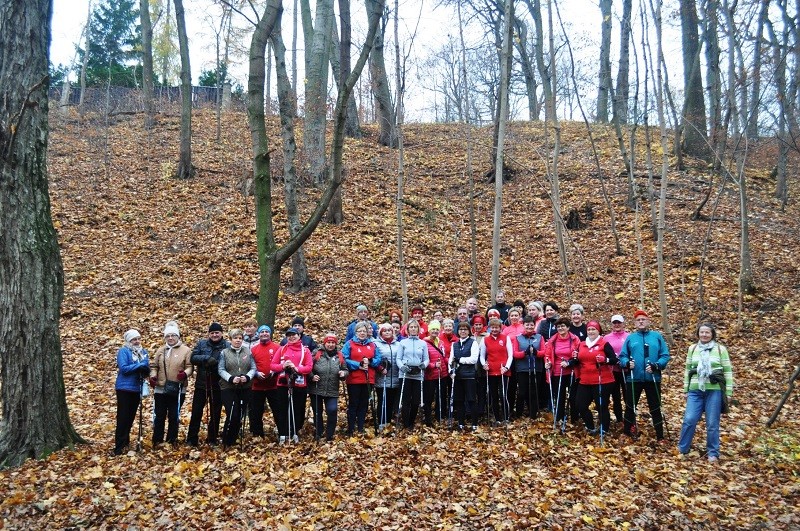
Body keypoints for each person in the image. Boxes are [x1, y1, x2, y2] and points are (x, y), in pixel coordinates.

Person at [678, 323, 733, 462]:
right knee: (689, 419)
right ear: (698, 334)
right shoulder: (693, 348)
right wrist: (686, 389)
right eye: (702, 332)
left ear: (712, 334)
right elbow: (688, 370)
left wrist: (729, 392)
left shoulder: (720, 349)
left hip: (714, 390)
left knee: (712, 423)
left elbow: (727, 371)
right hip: (695, 390)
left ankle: (713, 452)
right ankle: (683, 448)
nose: (704, 335)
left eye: (707, 332)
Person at [618, 310, 670, 441]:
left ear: (648, 321)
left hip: (653, 377)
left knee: (655, 407)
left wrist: (657, 365)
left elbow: (665, 355)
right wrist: (626, 363)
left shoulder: (656, 336)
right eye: (638, 320)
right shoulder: (631, 338)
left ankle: (660, 436)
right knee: (630, 406)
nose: (641, 322)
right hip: (634, 377)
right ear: (635, 323)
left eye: (643, 319)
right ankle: (626, 432)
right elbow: (623, 356)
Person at [149, 321, 192, 446]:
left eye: (173, 335)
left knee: (174, 415)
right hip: (161, 388)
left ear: (178, 336)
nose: (170, 338)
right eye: (168, 336)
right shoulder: (161, 350)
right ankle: (157, 440)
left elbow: (190, 366)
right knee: (160, 414)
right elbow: (154, 366)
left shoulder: (186, 350)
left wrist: (184, 374)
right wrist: (153, 376)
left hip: (177, 388)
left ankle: (171, 440)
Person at [187, 322, 229, 447]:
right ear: (209, 334)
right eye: (212, 333)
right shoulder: (201, 344)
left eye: (217, 333)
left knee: (215, 413)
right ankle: (191, 438)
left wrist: (216, 363)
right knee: (196, 412)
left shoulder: (226, 345)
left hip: (218, 384)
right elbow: (193, 358)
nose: (214, 335)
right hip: (202, 384)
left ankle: (212, 438)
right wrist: (205, 358)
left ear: (221, 333)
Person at [270, 327, 313, 443]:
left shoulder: (305, 350)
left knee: (298, 408)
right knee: (282, 408)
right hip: (283, 383)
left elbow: (309, 367)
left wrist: (297, 368)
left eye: (294, 335)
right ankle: (282, 433)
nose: (291, 337)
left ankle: (294, 431)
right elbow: (273, 365)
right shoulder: (282, 349)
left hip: (299, 384)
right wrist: (282, 366)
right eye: (289, 335)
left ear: (299, 336)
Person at [575, 321, 617, 435]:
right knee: (580, 405)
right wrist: (572, 359)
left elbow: (614, 359)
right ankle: (590, 426)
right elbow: (578, 359)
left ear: (599, 331)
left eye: (593, 329)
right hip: (584, 380)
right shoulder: (581, 344)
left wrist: (605, 360)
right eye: (589, 329)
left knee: (601, 406)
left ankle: (604, 429)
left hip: (602, 380)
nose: (591, 331)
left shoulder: (604, 343)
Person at [218, 328, 257, 447]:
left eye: (240, 338)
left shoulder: (248, 352)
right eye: (235, 338)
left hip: (245, 387)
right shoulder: (224, 353)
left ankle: (233, 439)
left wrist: (248, 377)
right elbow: (221, 369)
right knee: (232, 414)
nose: (238, 340)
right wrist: (230, 378)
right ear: (230, 340)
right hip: (228, 388)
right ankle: (226, 439)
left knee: (240, 414)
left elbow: (253, 368)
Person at [114, 329, 150, 455]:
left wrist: (146, 369)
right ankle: (119, 446)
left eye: (138, 339)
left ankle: (126, 442)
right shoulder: (124, 351)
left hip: (136, 388)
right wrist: (139, 366)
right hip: (124, 388)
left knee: (130, 417)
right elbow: (124, 369)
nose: (137, 341)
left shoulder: (143, 352)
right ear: (129, 341)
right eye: (134, 339)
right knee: (123, 417)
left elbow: (146, 366)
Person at [342, 321, 380, 435]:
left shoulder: (372, 345)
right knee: (354, 403)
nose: (362, 333)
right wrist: (358, 364)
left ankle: (360, 427)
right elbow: (344, 359)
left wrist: (370, 361)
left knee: (364, 403)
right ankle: (351, 427)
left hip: (369, 379)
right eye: (360, 331)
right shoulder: (349, 344)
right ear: (356, 332)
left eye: (364, 331)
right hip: (354, 379)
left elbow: (378, 359)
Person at [544, 317, 581, 432]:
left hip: (571, 371)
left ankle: (574, 418)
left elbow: (578, 355)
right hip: (557, 371)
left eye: (563, 326)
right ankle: (559, 417)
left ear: (568, 327)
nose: (560, 328)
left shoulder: (575, 339)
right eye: (558, 326)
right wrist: (548, 363)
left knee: (573, 396)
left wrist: (569, 362)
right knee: (559, 396)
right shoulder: (553, 340)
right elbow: (547, 354)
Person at [309, 333, 348, 442]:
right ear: (324, 343)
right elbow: (308, 367)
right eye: (328, 342)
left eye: (333, 343)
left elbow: (346, 370)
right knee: (317, 411)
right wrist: (312, 376)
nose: (330, 345)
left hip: (332, 389)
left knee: (332, 410)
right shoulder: (317, 354)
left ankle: (329, 434)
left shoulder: (340, 356)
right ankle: (319, 431)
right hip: (316, 388)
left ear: (335, 344)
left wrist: (343, 374)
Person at [249, 325, 280, 438]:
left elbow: (281, 363)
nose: (264, 334)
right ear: (258, 334)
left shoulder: (277, 347)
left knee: (277, 410)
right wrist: (256, 373)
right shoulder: (253, 349)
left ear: (270, 333)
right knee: (256, 412)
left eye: (267, 331)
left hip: (274, 385)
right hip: (257, 386)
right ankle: (257, 434)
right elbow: (251, 365)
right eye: (262, 332)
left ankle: (282, 432)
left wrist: (274, 371)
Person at [480, 318, 513, 425]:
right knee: (493, 395)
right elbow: (482, 356)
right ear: (489, 328)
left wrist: (506, 367)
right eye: (492, 327)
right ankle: (497, 418)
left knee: (503, 394)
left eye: (496, 327)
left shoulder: (505, 338)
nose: (494, 329)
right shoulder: (485, 340)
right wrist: (484, 364)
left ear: (500, 328)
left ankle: (506, 417)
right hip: (491, 371)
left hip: (503, 371)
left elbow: (510, 355)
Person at [397, 319, 429, 429]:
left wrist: (423, 365)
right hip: (405, 374)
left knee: (416, 401)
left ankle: (411, 421)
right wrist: (402, 367)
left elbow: (426, 359)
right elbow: (398, 358)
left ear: (418, 329)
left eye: (415, 327)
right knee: (405, 400)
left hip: (418, 374)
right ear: (407, 329)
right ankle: (406, 424)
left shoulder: (423, 343)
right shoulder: (403, 343)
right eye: (411, 327)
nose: (413, 329)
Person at [511, 315, 543, 419]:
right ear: (523, 325)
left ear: (534, 325)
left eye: (531, 325)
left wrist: (536, 352)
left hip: (535, 368)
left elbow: (544, 352)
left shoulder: (539, 337)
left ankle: (533, 414)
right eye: (527, 324)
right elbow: (515, 353)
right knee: (522, 392)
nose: (529, 327)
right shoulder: (518, 338)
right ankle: (519, 414)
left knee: (534, 392)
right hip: (522, 369)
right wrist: (524, 353)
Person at [449, 321, 480, 430]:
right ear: (458, 331)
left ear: (469, 331)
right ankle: (461, 423)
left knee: (471, 400)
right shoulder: (455, 344)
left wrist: (460, 360)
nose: (463, 331)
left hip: (469, 376)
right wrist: (450, 371)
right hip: (457, 376)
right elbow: (451, 360)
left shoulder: (473, 342)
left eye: (465, 329)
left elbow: (473, 359)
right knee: (459, 400)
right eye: (461, 329)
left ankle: (474, 424)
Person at [374, 323, 402, 430]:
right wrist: (380, 368)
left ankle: (388, 422)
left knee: (391, 401)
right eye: (384, 331)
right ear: (381, 333)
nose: (387, 332)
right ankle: (381, 422)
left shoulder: (398, 344)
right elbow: (374, 359)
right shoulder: (376, 344)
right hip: (382, 378)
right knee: (382, 400)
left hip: (395, 378)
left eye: (389, 330)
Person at [603, 314, 628, 423]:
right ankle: (618, 418)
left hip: (626, 370)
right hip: (612, 370)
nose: (617, 325)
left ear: (623, 323)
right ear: (612, 324)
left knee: (627, 394)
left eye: (619, 322)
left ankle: (629, 417)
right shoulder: (606, 338)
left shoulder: (629, 336)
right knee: (615, 395)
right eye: (615, 323)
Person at [423, 320, 449, 425]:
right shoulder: (424, 343)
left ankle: (440, 416)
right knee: (428, 398)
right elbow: (423, 360)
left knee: (441, 396)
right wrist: (433, 365)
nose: (435, 331)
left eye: (437, 329)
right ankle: (428, 419)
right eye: (433, 329)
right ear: (429, 330)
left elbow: (443, 356)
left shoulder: (441, 342)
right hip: (430, 375)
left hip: (442, 374)